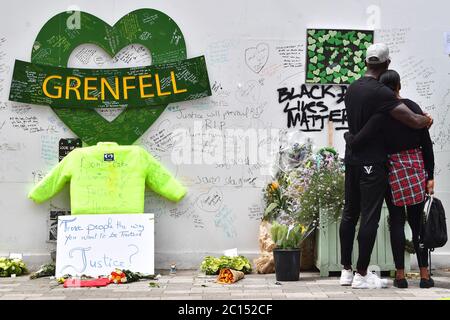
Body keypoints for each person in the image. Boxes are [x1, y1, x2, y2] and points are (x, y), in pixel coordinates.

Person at [339, 43, 433, 289]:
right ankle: (361, 275)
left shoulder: (352, 89)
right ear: (387, 64)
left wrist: (350, 140)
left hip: (352, 160)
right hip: (372, 162)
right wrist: (428, 119)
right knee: (370, 217)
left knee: (349, 213)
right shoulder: (382, 93)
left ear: (366, 62)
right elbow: (413, 120)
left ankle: (346, 270)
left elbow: (357, 129)